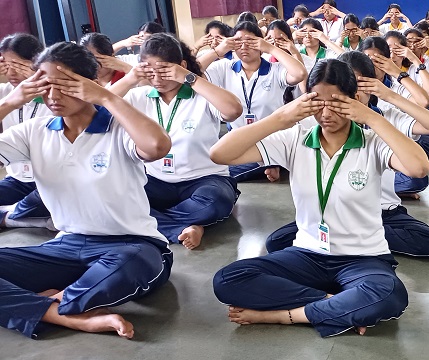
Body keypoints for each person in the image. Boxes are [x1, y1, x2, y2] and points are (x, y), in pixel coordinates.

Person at [211, 60, 429, 335]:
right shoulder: (295, 138)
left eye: (336, 102)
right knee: (227, 280)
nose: (326, 112)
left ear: (354, 100)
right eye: (317, 102)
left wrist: (371, 117)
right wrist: (281, 118)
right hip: (308, 254)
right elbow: (220, 154)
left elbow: (418, 168)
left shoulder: (372, 142)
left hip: (362, 258)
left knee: (389, 294)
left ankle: (285, 315)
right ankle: (336, 305)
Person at [0, 41, 173, 339]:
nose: (53, 96)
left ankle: (52, 302)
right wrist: (11, 102)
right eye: (44, 85)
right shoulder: (35, 131)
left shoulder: (120, 126)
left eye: (65, 85)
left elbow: (157, 147)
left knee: (135, 264)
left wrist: (106, 97)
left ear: (88, 84)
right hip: (65, 246)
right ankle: (66, 314)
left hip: (130, 245)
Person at [264, 51, 429, 257]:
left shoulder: (384, 115)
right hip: (330, 213)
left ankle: (362, 236)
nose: (355, 92)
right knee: (276, 242)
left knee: (428, 241)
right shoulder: (320, 120)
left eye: (361, 83)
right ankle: (346, 239)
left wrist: (388, 94)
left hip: (384, 211)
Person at [110, 33, 241, 250]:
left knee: (215, 202)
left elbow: (233, 110)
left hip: (204, 180)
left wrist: (189, 77)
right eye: (149, 71)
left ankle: (146, 224)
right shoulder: (139, 96)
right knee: (116, 200)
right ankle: (187, 226)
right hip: (155, 179)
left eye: (163, 71)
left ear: (180, 66)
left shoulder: (201, 94)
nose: (157, 78)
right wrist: (131, 78)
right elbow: (99, 108)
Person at [204, 20, 307, 182]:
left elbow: (300, 73)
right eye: (238, 42)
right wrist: (218, 51)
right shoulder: (225, 68)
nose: (244, 47)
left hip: (272, 139)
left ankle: (271, 160)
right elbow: (191, 74)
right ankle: (269, 163)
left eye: (250, 42)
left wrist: (271, 48)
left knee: (216, 173)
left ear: (260, 43)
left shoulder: (275, 70)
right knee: (210, 163)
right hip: (239, 142)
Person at [0, 33, 53, 230]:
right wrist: (10, 102)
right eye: (6, 65)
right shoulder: (6, 92)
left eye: (17, 65)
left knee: (45, 200)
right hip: (17, 178)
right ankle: (15, 216)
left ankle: (10, 215)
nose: (11, 72)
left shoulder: (55, 94)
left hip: (47, 180)